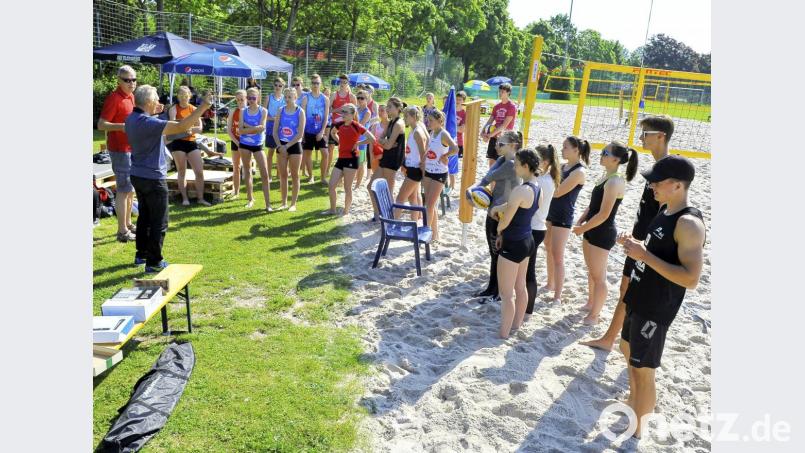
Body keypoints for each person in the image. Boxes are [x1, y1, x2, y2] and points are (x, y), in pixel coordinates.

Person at [617, 155, 705, 438]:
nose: (651, 185)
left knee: (644, 369)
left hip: (656, 306)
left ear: (678, 185)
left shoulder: (689, 224)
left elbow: (691, 279)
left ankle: (638, 430)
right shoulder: (664, 209)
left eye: (657, 181)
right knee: (627, 351)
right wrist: (637, 246)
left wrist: (643, 255)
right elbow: (656, 252)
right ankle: (636, 403)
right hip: (639, 295)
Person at [581, 115, 675, 351]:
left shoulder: (669, 170)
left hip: (649, 245)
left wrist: (647, 243)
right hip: (639, 240)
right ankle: (612, 338)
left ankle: (614, 339)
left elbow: (669, 211)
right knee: (626, 290)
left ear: (661, 136)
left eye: (646, 133)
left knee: (635, 293)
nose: (641, 138)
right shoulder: (656, 167)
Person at [126, 85, 212, 272]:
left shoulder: (132, 118)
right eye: (156, 99)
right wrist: (203, 107)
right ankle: (154, 261)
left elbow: (162, 128)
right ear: (148, 102)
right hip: (153, 178)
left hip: (137, 175)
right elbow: (182, 125)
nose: (159, 102)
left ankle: (141, 254)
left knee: (145, 216)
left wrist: (155, 114)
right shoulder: (149, 123)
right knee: (159, 220)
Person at [572, 142, 638, 325]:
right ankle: (591, 303)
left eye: (605, 153)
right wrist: (581, 220)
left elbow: (604, 214)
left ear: (616, 159)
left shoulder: (615, 181)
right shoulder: (605, 177)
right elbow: (594, 206)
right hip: (592, 228)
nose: (601, 154)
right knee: (592, 273)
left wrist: (582, 229)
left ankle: (594, 315)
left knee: (599, 277)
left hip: (602, 232)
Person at [489, 148, 541, 338]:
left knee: (506, 294)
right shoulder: (537, 188)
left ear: (526, 166)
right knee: (520, 287)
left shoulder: (520, 189)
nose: (514, 168)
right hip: (527, 240)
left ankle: (503, 333)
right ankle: (516, 325)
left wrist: (499, 230)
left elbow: (506, 219)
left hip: (513, 243)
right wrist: (500, 208)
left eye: (517, 164)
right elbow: (518, 208)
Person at [466, 130, 523, 301]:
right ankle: (492, 288)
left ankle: (498, 291)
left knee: (498, 253)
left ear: (513, 145)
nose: (496, 146)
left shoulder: (510, 164)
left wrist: (471, 191)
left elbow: (488, 178)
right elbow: (484, 180)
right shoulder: (501, 160)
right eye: (497, 142)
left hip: (502, 214)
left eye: (501, 144)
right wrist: (473, 190)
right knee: (494, 253)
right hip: (494, 210)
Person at [543, 136, 590, 303]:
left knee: (558, 256)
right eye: (562, 147)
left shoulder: (579, 172)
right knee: (548, 248)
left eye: (565, 147)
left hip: (563, 217)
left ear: (576, 150)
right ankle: (550, 284)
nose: (562, 150)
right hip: (550, 212)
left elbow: (557, 192)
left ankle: (557, 296)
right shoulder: (562, 166)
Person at [97, 65, 137, 242]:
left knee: (130, 190)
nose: (131, 83)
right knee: (123, 190)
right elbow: (101, 124)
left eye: (134, 79)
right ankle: (122, 231)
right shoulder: (114, 98)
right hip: (120, 150)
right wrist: (122, 127)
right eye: (127, 80)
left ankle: (128, 224)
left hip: (131, 149)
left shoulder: (131, 97)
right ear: (119, 81)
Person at [525, 144, 561, 314]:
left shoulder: (543, 181)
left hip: (534, 228)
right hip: (535, 226)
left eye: (536, 159)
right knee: (525, 269)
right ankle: (524, 306)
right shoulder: (543, 178)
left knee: (529, 271)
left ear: (545, 162)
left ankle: (528, 308)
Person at [324, 103, 375, 216]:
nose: (343, 114)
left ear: (352, 114)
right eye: (342, 111)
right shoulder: (340, 124)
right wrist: (339, 141)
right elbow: (333, 133)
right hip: (341, 159)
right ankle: (333, 210)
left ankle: (346, 212)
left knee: (347, 188)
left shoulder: (357, 126)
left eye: (345, 112)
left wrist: (358, 143)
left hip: (352, 159)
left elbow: (372, 138)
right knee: (331, 185)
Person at [167, 86, 210, 206]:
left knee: (199, 171)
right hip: (177, 142)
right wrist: (188, 128)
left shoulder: (193, 109)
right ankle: (185, 198)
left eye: (186, 95)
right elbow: (173, 125)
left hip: (191, 142)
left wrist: (187, 129)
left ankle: (200, 198)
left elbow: (200, 128)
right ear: (178, 96)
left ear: (190, 96)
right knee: (181, 171)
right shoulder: (173, 109)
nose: (183, 98)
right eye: (181, 95)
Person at [423, 109, 459, 243]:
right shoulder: (432, 132)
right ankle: (435, 234)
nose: (428, 122)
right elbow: (430, 151)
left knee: (430, 205)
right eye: (428, 120)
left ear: (440, 121)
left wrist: (445, 156)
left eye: (431, 120)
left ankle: (426, 233)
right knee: (430, 204)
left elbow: (455, 148)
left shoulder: (443, 134)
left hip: (440, 172)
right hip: (428, 170)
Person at [239, 87, 273, 212]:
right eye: (249, 98)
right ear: (246, 98)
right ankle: (250, 199)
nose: (252, 100)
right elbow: (240, 130)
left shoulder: (263, 110)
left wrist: (247, 126)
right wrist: (254, 128)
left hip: (258, 145)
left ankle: (268, 204)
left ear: (258, 98)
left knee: (264, 174)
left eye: (254, 98)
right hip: (244, 144)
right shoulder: (243, 111)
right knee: (247, 171)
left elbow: (262, 128)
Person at [272, 88, 306, 211]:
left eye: (289, 97)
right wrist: (280, 146)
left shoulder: (300, 111)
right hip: (281, 145)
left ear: (295, 97)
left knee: (295, 175)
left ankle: (293, 204)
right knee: (283, 175)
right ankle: (284, 202)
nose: (287, 99)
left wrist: (287, 146)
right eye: (285, 97)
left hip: (294, 145)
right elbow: (275, 131)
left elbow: (300, 134)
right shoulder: (280, 110)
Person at [394, 106, 428, 221]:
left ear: (413, 117)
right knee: (412, 198)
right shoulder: (414, 130)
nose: (404, 119)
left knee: (400, 198)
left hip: (415, 170)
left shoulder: (418, 132)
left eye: (406, 116)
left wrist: (423, 174)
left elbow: (423, 154)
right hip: (411, 168)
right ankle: (414, 223)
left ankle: (391, 223)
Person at [327, 74, 357, 185]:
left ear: (348, 83)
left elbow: (355, 112)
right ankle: (327, 170)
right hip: (335, 125)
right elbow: (329, 109)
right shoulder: (334, 95)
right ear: (339, 82)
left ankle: (342, 173)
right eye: (341, 82)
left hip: (346, 127)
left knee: (344, 150)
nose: (343, 84)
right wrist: (339, 110)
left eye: (345, 82)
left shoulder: (352, 97)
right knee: (330, 148)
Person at [301, 74, 329, 184]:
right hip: (308, 130)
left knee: (325, 154)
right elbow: (302, 116)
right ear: (311, 84)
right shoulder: (306, 98)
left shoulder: (325, 99)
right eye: (313, 83)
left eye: (317, 83)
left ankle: (322, 178)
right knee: (307, 154)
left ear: (320, 84)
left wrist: (322, 131)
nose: (315, 85)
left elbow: (326, 116)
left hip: (320, 131)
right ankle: (311, 176)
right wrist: (302, 133)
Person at [482, 83, 517, 168]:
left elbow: (504, 126)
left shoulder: (511, 106)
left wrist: (489, 135)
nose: (500, 93)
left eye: (503, 91)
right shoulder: (496, 106)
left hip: (505, 139)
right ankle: (492, 182)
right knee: (491, 164)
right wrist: (483, 132)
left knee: (501, 165)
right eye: (499, 91)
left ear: (508, 93)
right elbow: (490, 121)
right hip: (494, 137)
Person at [376, 97, 406, 197]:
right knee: (371, 186)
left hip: (393, 158)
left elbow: (388, 146)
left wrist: (385, 142)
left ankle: (389, 211)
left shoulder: (398, 123)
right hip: (386, 156)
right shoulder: (390, 122)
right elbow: (379, 140)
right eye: (387, 106)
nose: (387, 109)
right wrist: (385, 142)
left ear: (398, 108)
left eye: (389, 106)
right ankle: (378, 212)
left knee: (388, 190)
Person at [264, 77, 286, 182]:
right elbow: (263, 115)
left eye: (280, 85)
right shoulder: (269, 97)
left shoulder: (284, 98)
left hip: (281, 128)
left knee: (280, 151)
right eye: (276, 85)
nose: (277, 87)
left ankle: (279, 174)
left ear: (283, 87)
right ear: (273, 85)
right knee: (271, 151)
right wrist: (274, 119)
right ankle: (269, 175)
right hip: (270, 127)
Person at [226, 90, 247, 198]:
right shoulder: (233, 111)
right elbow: (229, 130)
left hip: (248, 143)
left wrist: (244, 143)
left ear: (246, 99)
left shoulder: (249, 111)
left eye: (242, 99)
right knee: (236, 167)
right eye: (237, 100)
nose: (240, 102)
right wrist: (237, 142)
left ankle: (249, 194)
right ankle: (236, 192)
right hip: (236, 142)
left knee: (247, 168)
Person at [353, 90, 372, 189]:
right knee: (353, 160)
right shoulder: (356, 109)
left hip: (362, 141)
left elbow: (360, 125)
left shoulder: (367, 112)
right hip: (353, 138)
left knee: (360, 163)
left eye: (362, 98)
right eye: (358, 98)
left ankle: (357, 185)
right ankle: (355, 179)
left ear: (367, 99)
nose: (359, 100)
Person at [451, 91, 468, 192]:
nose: (457, 101)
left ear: (463, 101)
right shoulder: (451, 111)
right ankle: (448, 184)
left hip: (458, 142)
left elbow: (462, 129)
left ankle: (453, 186)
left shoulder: (464, 113)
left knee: (454, 164)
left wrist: (453, 127)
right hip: (448, 140)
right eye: (456, 99)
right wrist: (457, 127)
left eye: (460, 100)